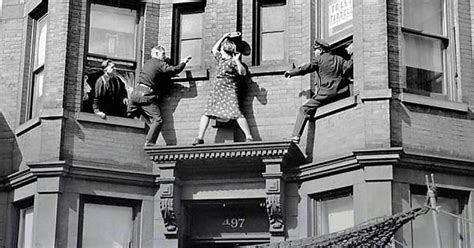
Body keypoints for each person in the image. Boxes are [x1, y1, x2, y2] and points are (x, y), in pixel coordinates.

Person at [284, 39, 353, 144]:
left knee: (304, 109)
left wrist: (291, 72)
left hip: (325, 93)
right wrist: (353, 52)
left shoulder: (319, 60)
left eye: (315, 50)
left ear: (320, 50)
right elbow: (349, 66)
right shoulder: (339, 59)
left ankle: (295, 136)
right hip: (341, 92)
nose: (314, 53)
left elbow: (305, 68)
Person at [192, 32, 253, 145]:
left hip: (229, 89)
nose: (222, 48)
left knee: (236, 113)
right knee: (207, 112)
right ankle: (199, 138)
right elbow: (214, 49)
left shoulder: (233, 61)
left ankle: (249, 136)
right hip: (217, 90)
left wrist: (237, 61)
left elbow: (242, 73)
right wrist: (224, 36)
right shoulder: (221, 59)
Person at [128, 45, 191, 147]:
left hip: (135, 94)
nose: (165, 57)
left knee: (132, 115)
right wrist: (184, 62)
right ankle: (149, 142)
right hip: (146, 96)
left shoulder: (147, 63)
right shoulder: (159, 63)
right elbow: (174, 70)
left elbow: (156, 75)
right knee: (158, 120)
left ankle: (131, 137)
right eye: (163, 54)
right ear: (157, 54)